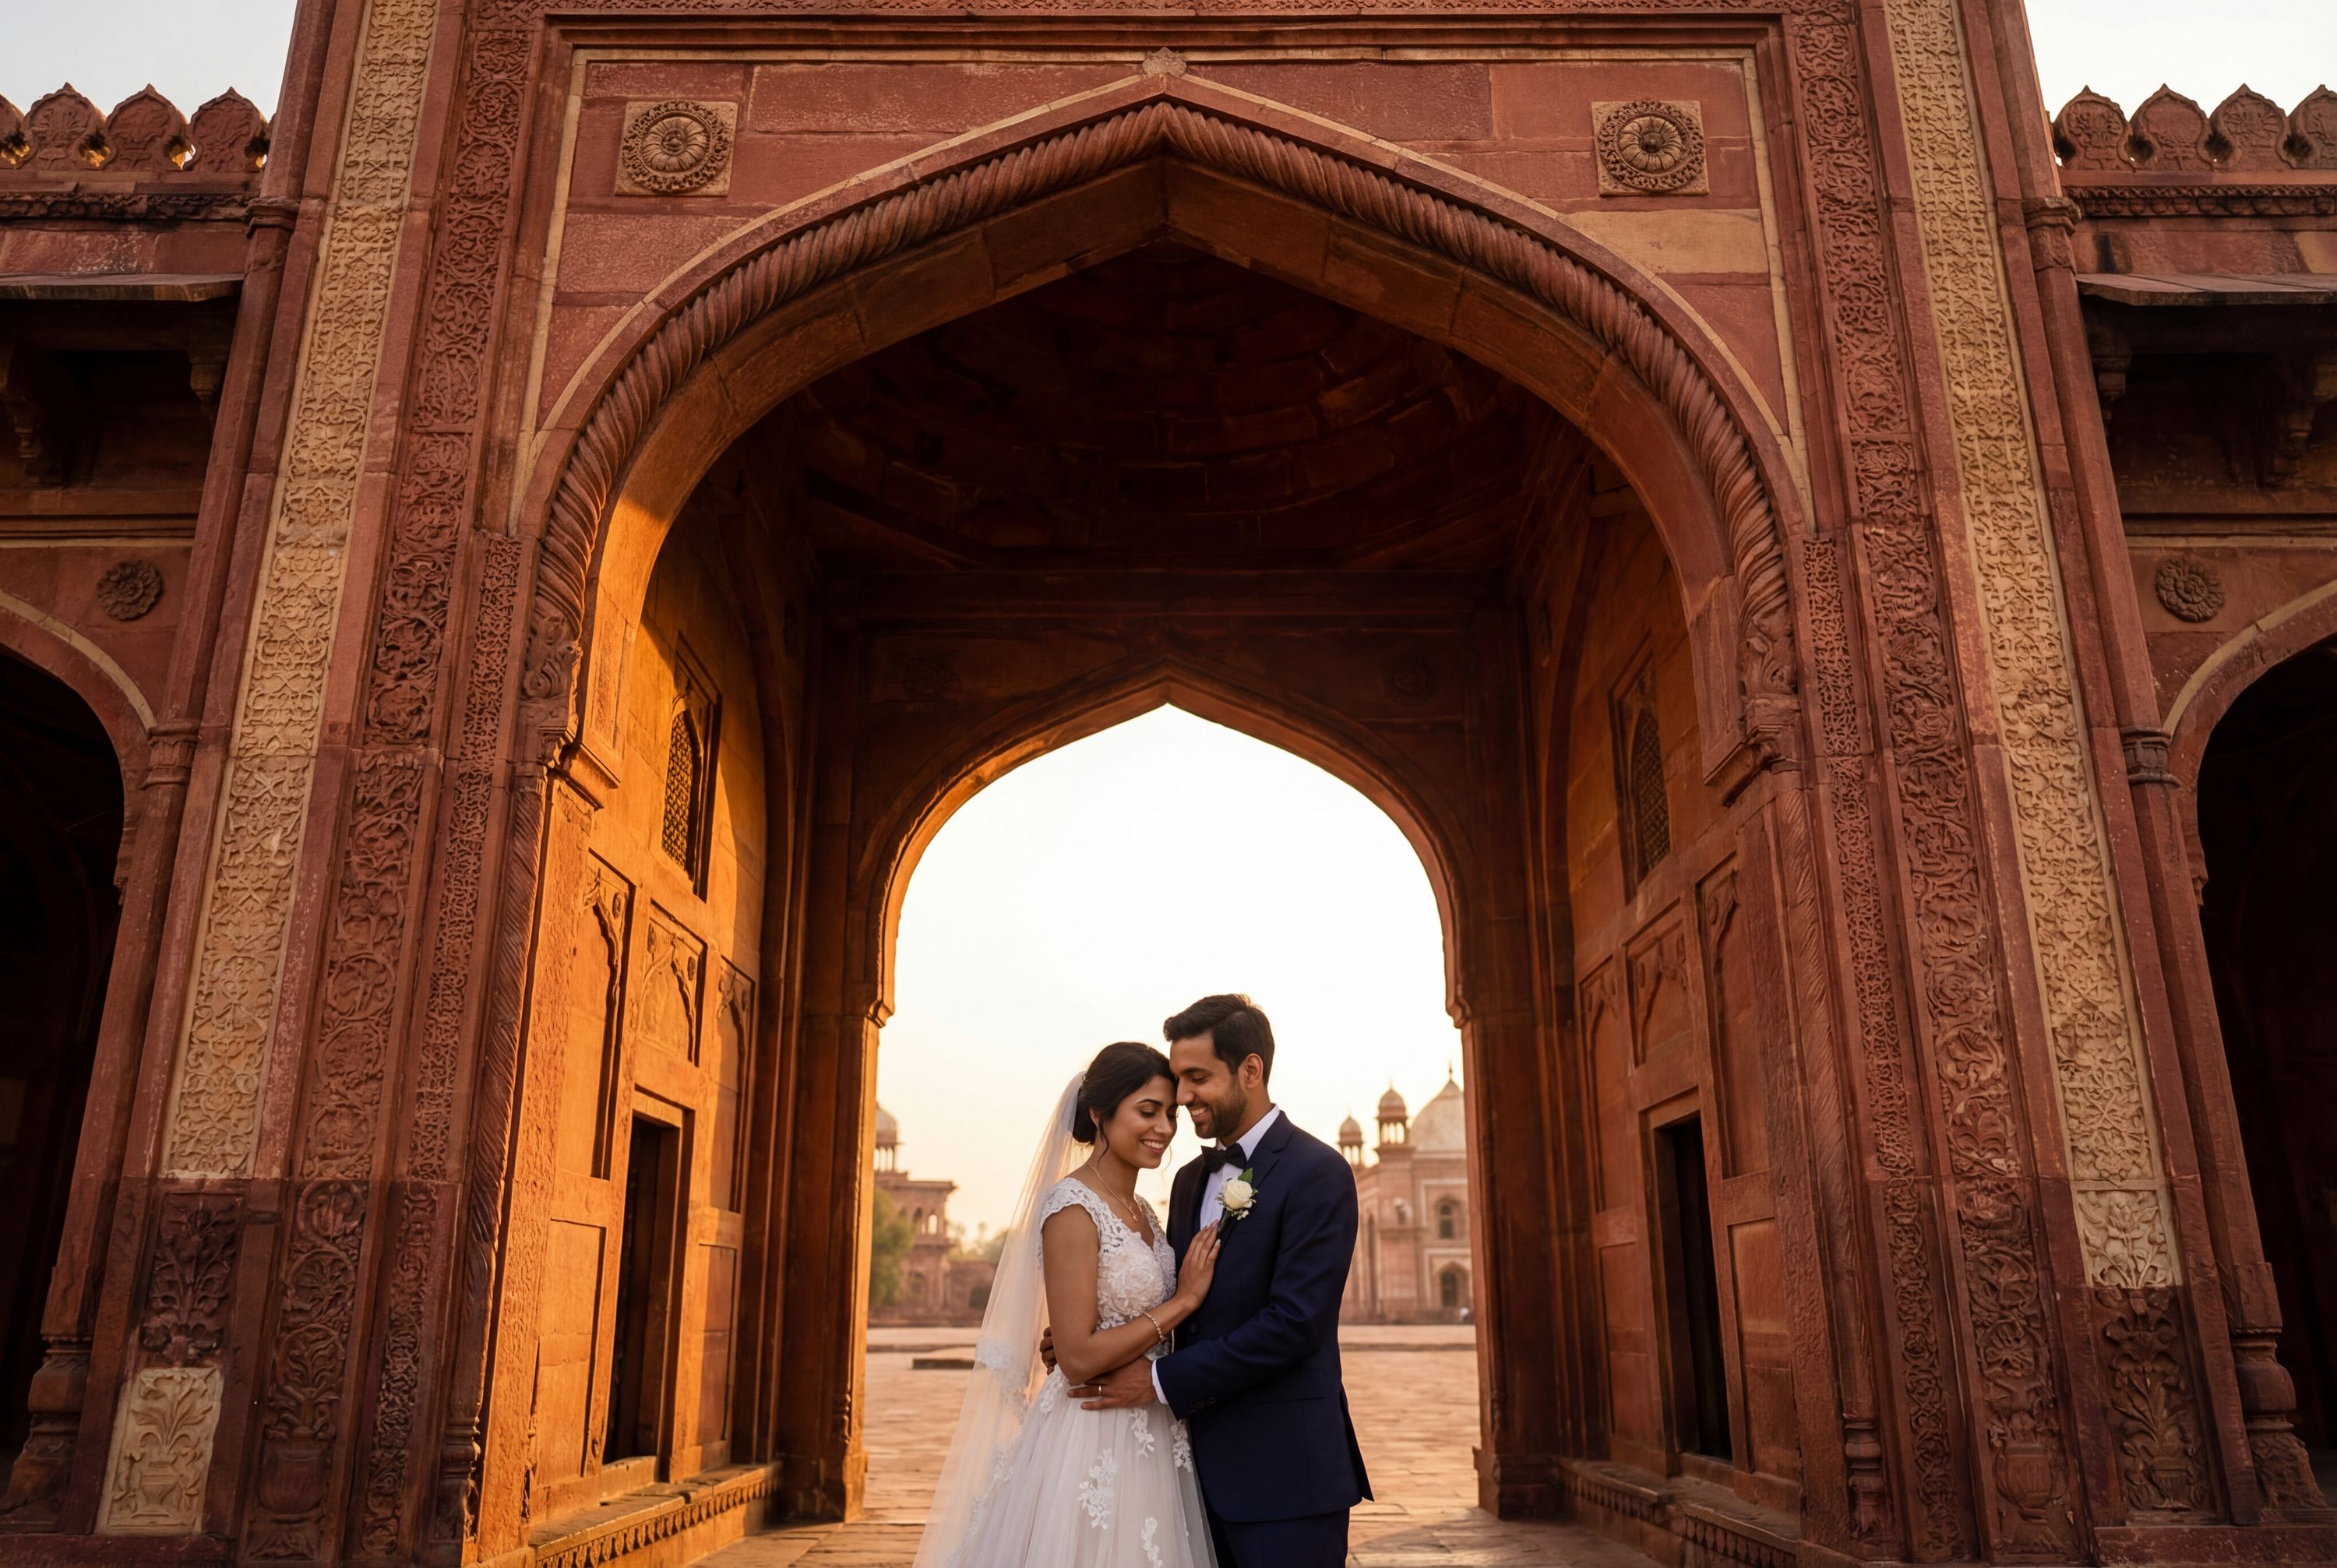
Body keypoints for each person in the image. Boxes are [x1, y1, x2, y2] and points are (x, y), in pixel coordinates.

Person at [1061, 995, 1372, 1568]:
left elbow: (1295, 1325)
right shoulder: (1185, 1180)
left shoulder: (1317, 1171)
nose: (1182, 1098)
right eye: (1178, 1079)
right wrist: (1093, 1335)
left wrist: (1155, 1379)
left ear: (1250, 1070)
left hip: (1286, 1478)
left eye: (1197, 1077)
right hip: (1181, 1477)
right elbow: (1178, 1301)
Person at [911, 1041, 1223, 1568]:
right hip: (1091, 1431)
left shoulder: (1146, 1211)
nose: (1165, 1128)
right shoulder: (1072, 1206)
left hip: (1153, 1423)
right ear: (1100, 1113)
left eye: (1170, 1113)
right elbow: (1077, 1358)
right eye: (1147, 1111)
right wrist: (1186, 1299)